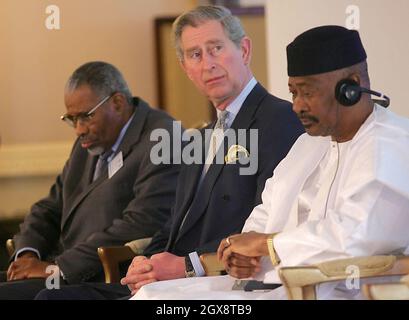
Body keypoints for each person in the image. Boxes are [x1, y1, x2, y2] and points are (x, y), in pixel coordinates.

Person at [34, 5, 303, 299]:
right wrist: (145, 261)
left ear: (245, 50)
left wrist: (188, 266)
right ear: (186, 68)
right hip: (166, 283)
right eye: (195, 54)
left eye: (216, 48)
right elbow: (172, 226)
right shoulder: (197, 138)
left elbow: (263, 228)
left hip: (218, 286)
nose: (207, 64)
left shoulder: (281, 120)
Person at [130, 25, 409, 300]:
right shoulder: (309, 143)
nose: (297, 105)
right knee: (153, 295)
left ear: (352, 87)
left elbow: (354, 236)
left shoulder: (391, 144)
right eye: (293, 93)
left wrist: (268, 246)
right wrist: (240, 252)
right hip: (282, 286)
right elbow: (267, 209)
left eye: (308, 92)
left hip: (351, 293)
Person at [0, 61, 180, 299]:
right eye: (71, 119)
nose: (78, 129)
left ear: (117, 103)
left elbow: (142, 222)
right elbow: (50, 207)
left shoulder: (163, 138)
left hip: (101, 276)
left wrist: (57, 268)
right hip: (59, 267)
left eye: (85, 116)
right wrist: (27, 253)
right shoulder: (88, 141)